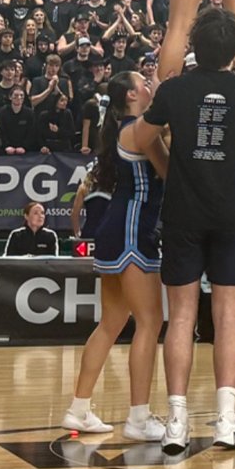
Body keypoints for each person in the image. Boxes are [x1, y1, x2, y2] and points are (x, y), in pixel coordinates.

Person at [134, 7, 235, 454]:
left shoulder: (175, 89)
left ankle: (176, 420)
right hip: (231, 216)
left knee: (180, 318)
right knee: (227, 318)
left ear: (194, 45)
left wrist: (168, 168)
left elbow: (143, 138)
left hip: (182, 214)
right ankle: (225, 420)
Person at [64, 71, 166, 439]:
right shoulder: (139, 130)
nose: (150, 85)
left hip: (116, 227)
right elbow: (169, 171)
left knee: (111, 323)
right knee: (150, 322)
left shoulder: (130, 127)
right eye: (146, 82)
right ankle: (139, 418)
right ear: (132, 95)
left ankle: (79, 409)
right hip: (132, 231)